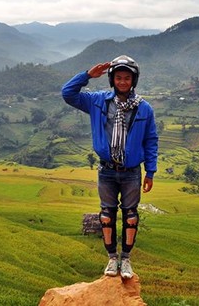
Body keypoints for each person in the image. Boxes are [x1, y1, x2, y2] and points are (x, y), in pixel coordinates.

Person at [62, 55, 158, 279]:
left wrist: (150, 172)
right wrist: (86, 76)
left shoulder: (144, 109)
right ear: (111, 79)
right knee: (106, 215)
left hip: (132, 172)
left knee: (131, 216)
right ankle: (111, 258)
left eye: (126, 78)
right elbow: (68, 94)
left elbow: (151, 141)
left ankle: (126, 260)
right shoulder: (98, 101)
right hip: (107, 170)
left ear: (133, 80)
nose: (122, 82)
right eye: (118, 77)